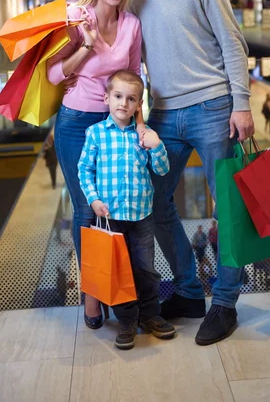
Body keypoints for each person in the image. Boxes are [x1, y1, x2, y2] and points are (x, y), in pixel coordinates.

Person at [122, 0, 255, 346]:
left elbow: (233, 43)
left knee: (228, 207)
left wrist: (242, 103)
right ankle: (189, 290)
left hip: (214, 106)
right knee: (155, 203)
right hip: (162, 113)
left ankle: (225, 303)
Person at [47, 0, 142, 329]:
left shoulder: (132, 24)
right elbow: (55, 74)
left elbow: (135, 79)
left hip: (115, 127)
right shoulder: (75, 16)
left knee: (113, 208)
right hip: (75, 124)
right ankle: (91, 297)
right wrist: (85, 44)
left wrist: (138, 124)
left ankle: (118, 289)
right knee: (86, 208)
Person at [78, 70, 175, 350]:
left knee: (146, 269)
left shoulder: (143, 134)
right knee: (119, 271)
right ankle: (127, 320)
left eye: (131, 99)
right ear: (106, 97)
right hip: (111, 219)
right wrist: (94, 199)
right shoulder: (96, 133)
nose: (123, 103)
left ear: (139, 105)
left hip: (141, 216)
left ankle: (150, 315)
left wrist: (156, 147)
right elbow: (85, 170)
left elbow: (162, 169)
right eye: (118, 96)